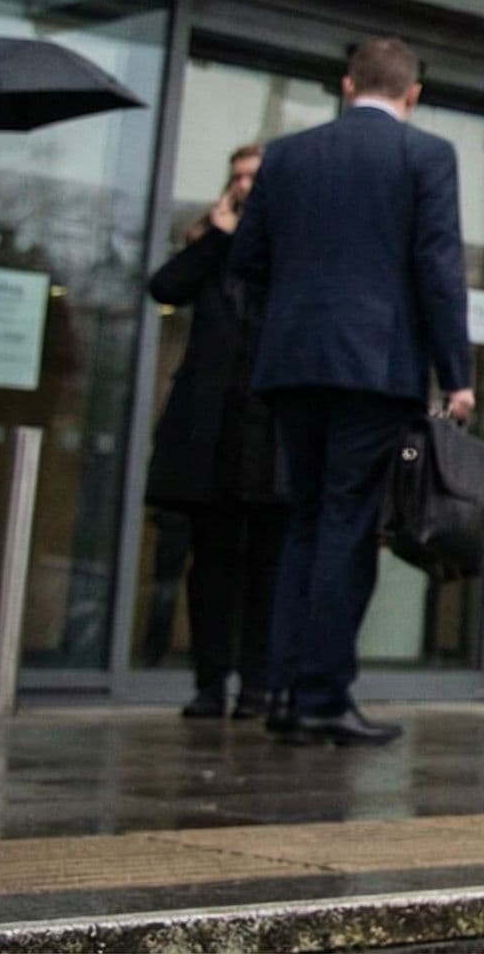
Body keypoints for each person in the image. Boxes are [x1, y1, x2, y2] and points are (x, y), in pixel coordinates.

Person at [231, 39, 472, 747]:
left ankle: (283, 692)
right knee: (346, 527)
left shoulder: (288, 156)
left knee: (305, 523)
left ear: (346, 85)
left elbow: (247, 258)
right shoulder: (426, 157)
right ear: (413, 94)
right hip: (375, 366)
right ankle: (322, 697)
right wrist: (455, 373)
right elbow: (438, 269)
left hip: (293, 365)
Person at [145, 143, 287, 720]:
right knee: (212, 563)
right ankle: (209, 683)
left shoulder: (292, 247)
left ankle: (257, 684)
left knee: (267, 566)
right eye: (236, 176)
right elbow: (165, 287)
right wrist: (219, 237)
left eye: (254, 176)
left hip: (273, 428)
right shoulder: (210, 244)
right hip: (211, 430)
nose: (244, 186)